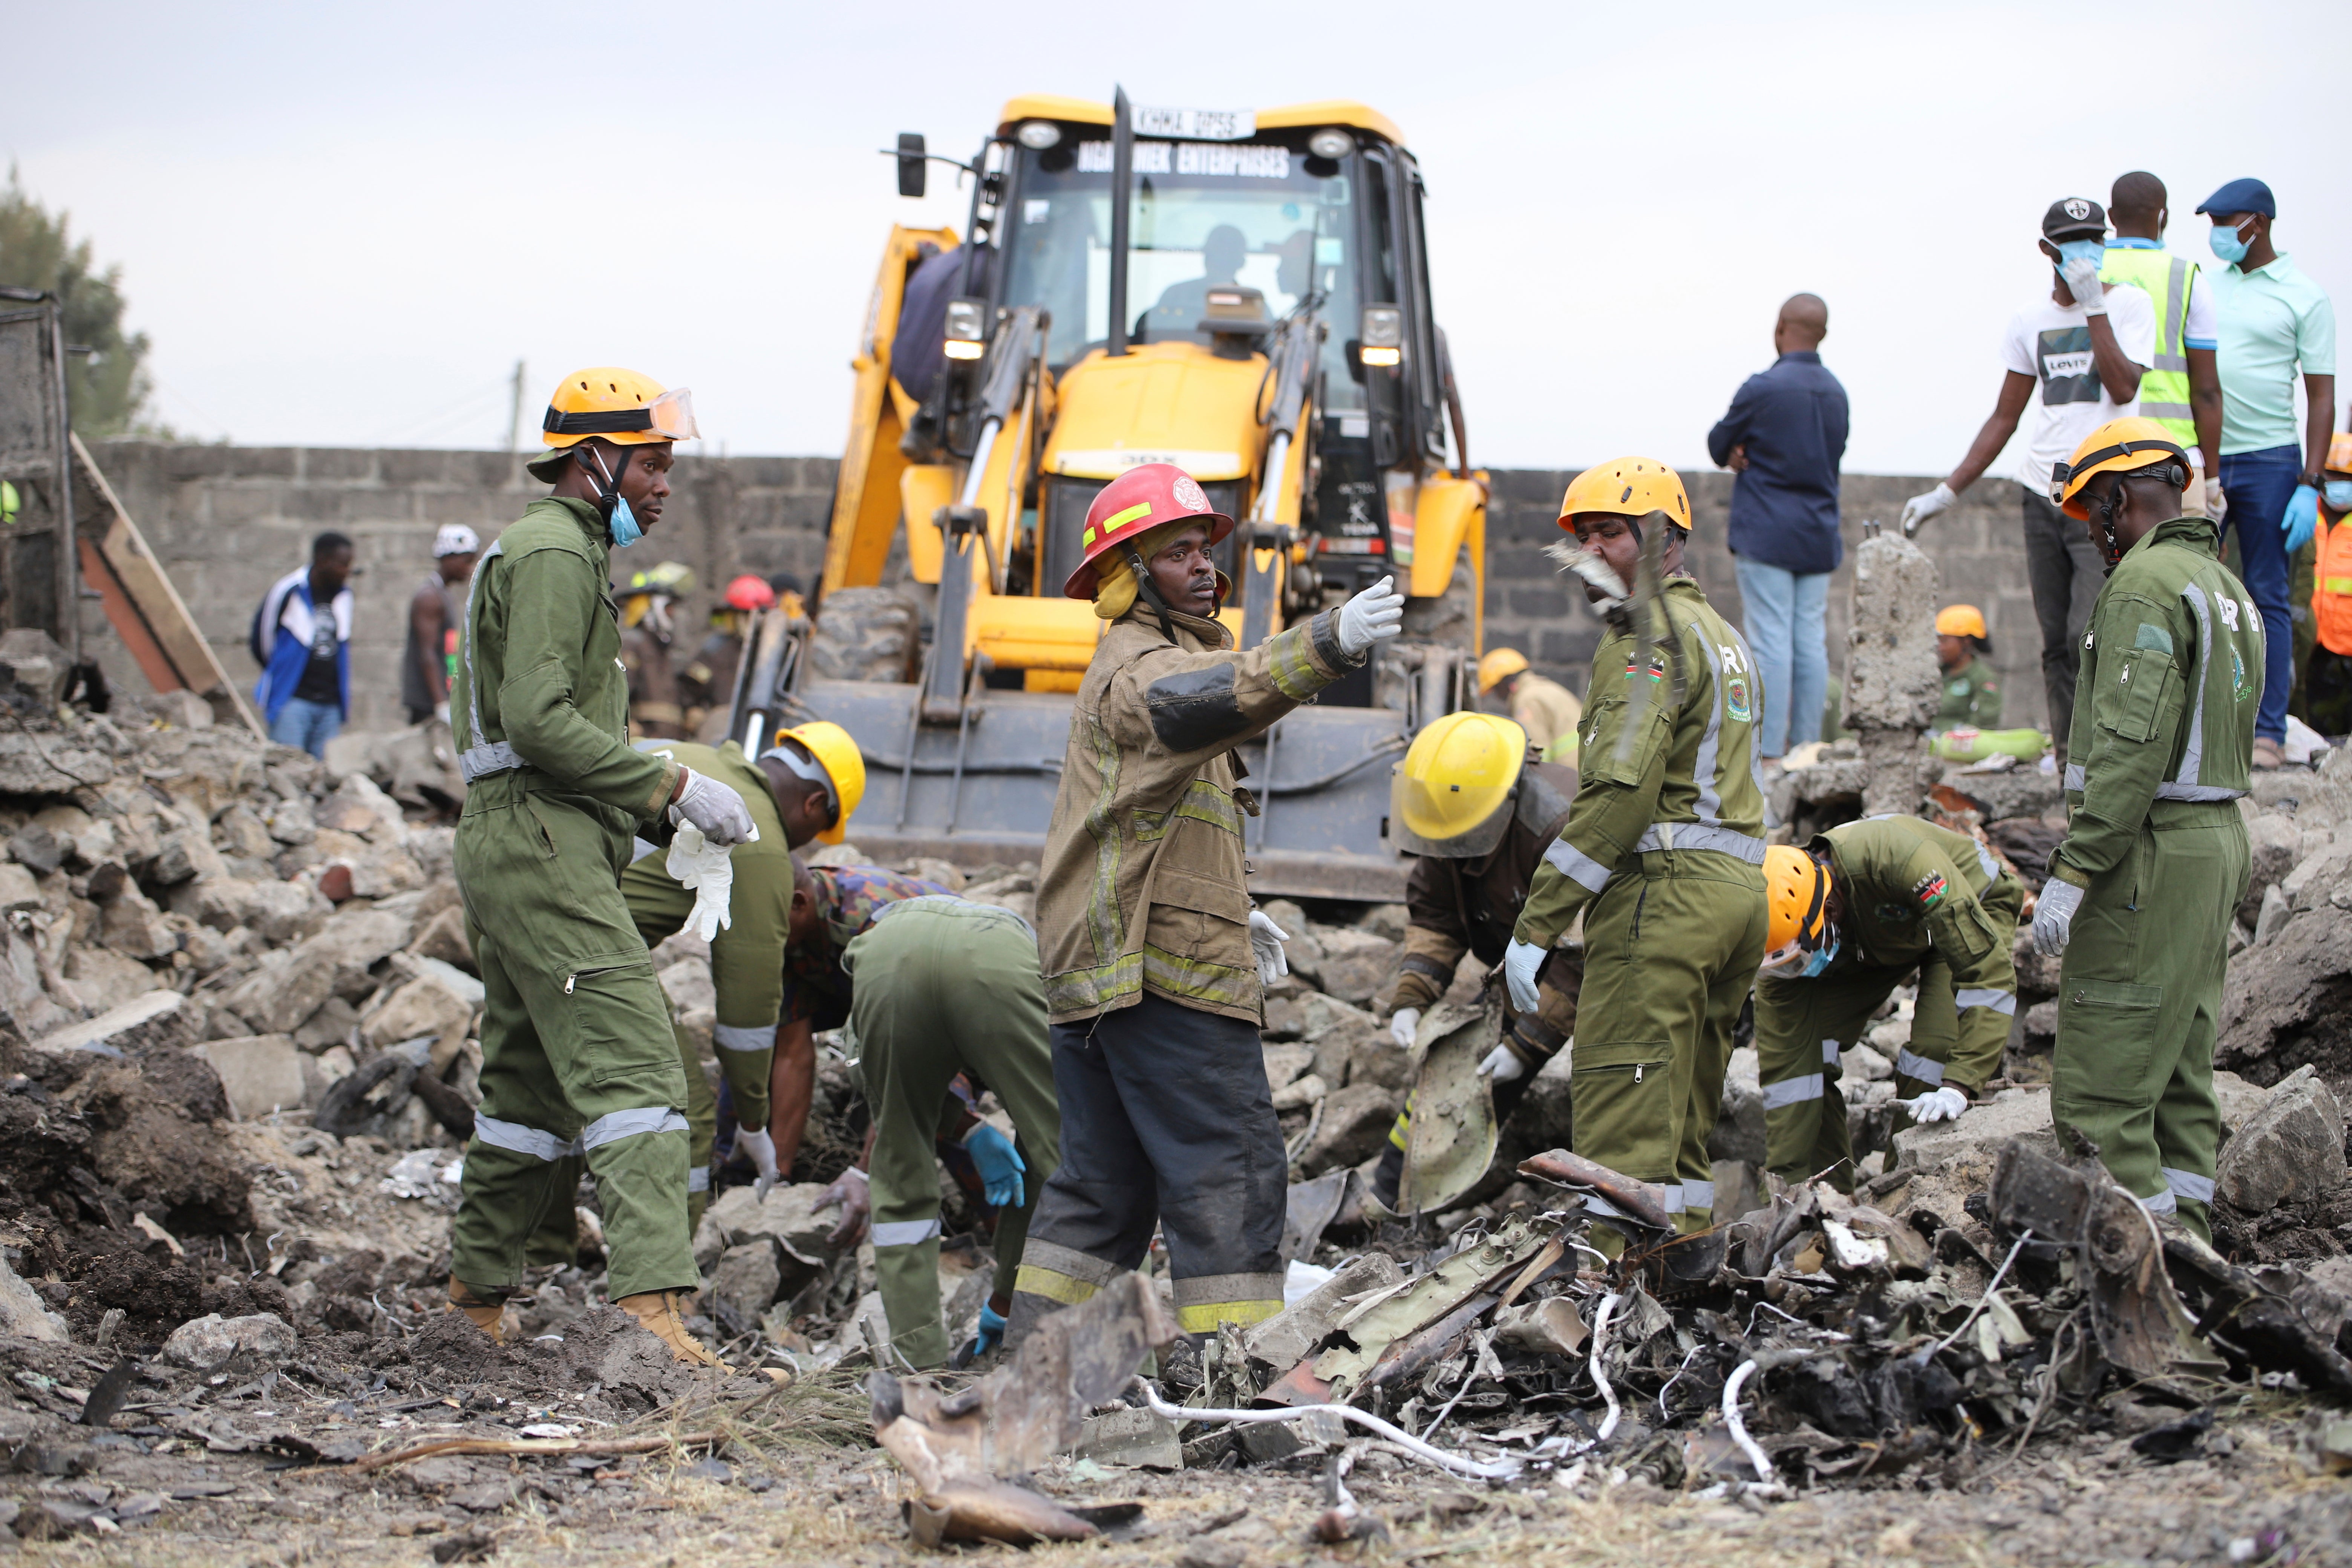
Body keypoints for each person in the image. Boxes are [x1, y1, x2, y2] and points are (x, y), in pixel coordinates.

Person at [1011, 462, 1403, 1342]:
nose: (1200, 565)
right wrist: (1325, 643)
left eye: (1201, 548)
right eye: (1175, 551)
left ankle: (1029, 1386)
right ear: (1125, 575)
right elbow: (1191, 709)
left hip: (1106, 969)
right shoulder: (1136, 669)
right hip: (1162, 973)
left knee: (1101, 1191)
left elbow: (1160, 817)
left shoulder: (1164, 657)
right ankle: (1236, 1384)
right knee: (1230, 1167)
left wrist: (1235, 902)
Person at [444, 365, 757, 1364]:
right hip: (540, 837)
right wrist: (666, 786)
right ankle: (656, 1315)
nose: (666, 485)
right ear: (594, 461)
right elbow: (539, 721)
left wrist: (641, 799)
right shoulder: (553, 554)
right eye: (654, 463)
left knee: (529, 1093)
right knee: (636, 1064)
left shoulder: (561, 550)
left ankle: (475, 1301)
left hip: (529, 838)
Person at [1507, 457, 1769, 1250]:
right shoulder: (1722, 637)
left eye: (1612, 534)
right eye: (1583, 538)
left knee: (1625, 1120)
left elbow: (1620, 794)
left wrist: (1538, 925)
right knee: (1681, 1117)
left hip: (1667, 901)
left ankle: (1606, 1289)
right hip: (1736, 899)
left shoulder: (1642, 637)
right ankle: (1678, 1279)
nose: (1592, 552)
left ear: (1665, 541)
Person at [524, 720, 869, 1268]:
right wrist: (754, 1124)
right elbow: (749, 1017)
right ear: (815, 804)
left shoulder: (691, 757)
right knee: (680, 1106)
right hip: (579, 950)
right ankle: (663, 1285)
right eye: (820, 832)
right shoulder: (754, 838)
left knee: (545, 1088)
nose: (806, 850)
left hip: (509, 909)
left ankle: (536, 1252)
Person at [2032, 417, 2261, 1243]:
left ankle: (2136, 1276)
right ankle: (2188, 1251)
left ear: (2122, 497)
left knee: (2106, 1080)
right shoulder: (2221, 584)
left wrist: (2077, 865)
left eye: (2094, 511)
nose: (2093, 533)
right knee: (2181, 1074)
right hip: (2217, 840)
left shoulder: (2142, 587)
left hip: (2150, 852)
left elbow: (2131, 745)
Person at [1900, 199, 2156, 763]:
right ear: (2048, 251)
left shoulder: (2130, 306)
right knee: (2053, 643)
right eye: (2073, 242)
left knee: (2085, 630)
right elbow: (2005, 416)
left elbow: (2121, 386)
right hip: (2042, 489)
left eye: (2096, 239)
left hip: (2102, 494)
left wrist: (2095, 308)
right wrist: (1947, 492)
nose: (2086, 251)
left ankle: (2104, 753)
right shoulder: (2029, 321)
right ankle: (2068, 756)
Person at [802, 887, 1061, 1368]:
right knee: (1071, 1159)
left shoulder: (871, 927)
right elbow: (1060, 1149)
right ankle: (1120, 1355)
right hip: (997, 953)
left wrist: (956, 1125)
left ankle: (917, 1365)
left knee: (901, 1175)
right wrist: (1005, 1297)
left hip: (890, 955)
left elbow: (871, 1077)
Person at [1372, 712, 1582, 1210]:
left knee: (1612, 1082)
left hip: (1602, 964)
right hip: (1524, 961)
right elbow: (1438, 915)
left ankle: (1606, 1216)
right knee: (1458, 1071)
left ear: (1503, 804)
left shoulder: (1560, 825)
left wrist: (1528, 1043)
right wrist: (1412, 995)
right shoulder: (1449, 806)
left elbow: (1588, 952)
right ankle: (1394, 1197)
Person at [1753, 821, 2023, 1191]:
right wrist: (1790, 1197)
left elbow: (1986, 974)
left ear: (1830, 908)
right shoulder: (1780, 934)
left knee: (1935, 1053)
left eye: (1798, 962)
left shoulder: (1902, 862)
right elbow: (1788, 1077)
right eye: (1785, 967)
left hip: (1970, 907)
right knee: (1803, 1053)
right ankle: (1824, 1204)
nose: (1795, 973)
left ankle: (1910, 1190)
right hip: (1879, 937)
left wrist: (1960, 1083)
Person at [2197, 178, 2338, 770]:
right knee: (2195, 593)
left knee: (2268, 596)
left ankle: (2269, 733)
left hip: (2270, 462)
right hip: (2204, 458)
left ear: (2257, 223)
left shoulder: (2305, 296)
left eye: (2225, 222)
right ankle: (2200, 730)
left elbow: (2322, 396)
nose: (2217, 234)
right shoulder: (2206, 288)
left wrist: (2311, 482)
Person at [1707, 292, 1849, 767]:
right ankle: (1807, 747)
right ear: (1823, 334)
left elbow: (1718, 443)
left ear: (1780, 327)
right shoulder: (1836, 392)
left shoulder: (1762, 388)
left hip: (1766, 530)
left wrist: (1736, 452)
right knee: (1809, 639)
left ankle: (1768, 751)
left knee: (1770, 640)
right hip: (1817, 533)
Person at [2099, 172, 2225, 515]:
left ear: (2111, 217)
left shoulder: (2087, 272)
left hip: (2104, 454)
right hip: (2176, 457)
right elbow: (2207, 390)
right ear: (2163, 217)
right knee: (2184, 566)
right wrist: (2212, 481)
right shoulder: (2186, 276)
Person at [252, 531, 356, 757]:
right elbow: (261, 640)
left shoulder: (344, 596)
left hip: (330, 705)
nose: (347, 572)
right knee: (289, 768)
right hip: (292, 700)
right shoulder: (290, 591)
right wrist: (281, 670)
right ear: (323, 561)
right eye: (342, 565)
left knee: (324, 777)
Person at [680, 574, 775, 742]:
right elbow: (689, 688)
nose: (754, 623)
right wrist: (693, 711)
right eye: (747, 616)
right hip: (722, 733)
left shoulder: (772, 652)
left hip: (762, 730)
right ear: (734, 616)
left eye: (761, 616)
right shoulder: (715, 651)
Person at [403, 525, 479, 726]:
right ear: (449, 558)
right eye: (466, 562)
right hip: (427, 700)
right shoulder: (430, 598)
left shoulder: (442, 594)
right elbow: (427, 653)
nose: (468, 569)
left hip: (439, 696)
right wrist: (440, 703)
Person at [619, 561, 697, 740]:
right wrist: (626, 725)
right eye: (668, 607)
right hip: (645, 741)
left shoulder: (661, 646)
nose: (673, 613)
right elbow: (619, 692)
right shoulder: (632, 643)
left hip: (669, 741)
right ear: (652, 607)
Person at [2309, 432, 2352, 735]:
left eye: (2346, 476)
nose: (2338, 483)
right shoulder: (2306, 516)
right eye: (2332, 474)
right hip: (2312, 642)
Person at [1143, 224, 1248, 342]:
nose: (1220, 261)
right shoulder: (1175, 295)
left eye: (1228, 256)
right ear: (1242, 262)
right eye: (1215, 255)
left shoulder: (1254, 304)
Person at [1476, 648, 1582, 757]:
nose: (1498, 697)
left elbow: (1538, 756)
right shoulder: (1546, 688)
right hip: (1579, 769)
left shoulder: (1526, 701)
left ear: (1506, 681)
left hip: (1568, 772)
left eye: (1496, 689)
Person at [1931, 605, 2003, 731]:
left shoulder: (1983, 678)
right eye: (1939, 642)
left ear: (1966, 641)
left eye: (1945, 641)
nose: (1940, 648)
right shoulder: (1937, 673)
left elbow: (1985, 720)